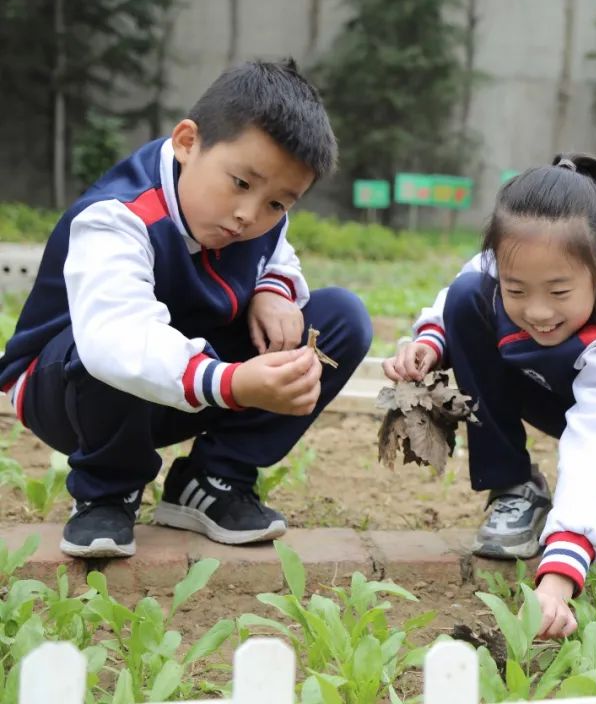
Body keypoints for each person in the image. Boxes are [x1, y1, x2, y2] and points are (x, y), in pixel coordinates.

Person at [0, 60, 372, 558]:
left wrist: (274, 290)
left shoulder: (252, 218)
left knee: (339, 318)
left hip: (182, 387)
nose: (249, 215)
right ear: (187, 142)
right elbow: (118, 340)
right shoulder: (119, 216)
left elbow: (277, 252)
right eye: (241, 183)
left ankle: (212, 480)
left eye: (278, 203)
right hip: (70, 393)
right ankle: (108, 491)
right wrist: (233, 384)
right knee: (109, 350)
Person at [384, 154, 596, 638]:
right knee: (471, 297)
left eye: (558, 292)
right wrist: (430, 343)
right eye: (516, 290)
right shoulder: (515, 260)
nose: (535, 311)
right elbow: (460, 291)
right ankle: (515, 488)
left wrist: (559, 573)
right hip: (564, 388)